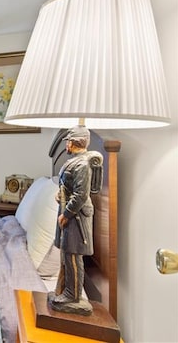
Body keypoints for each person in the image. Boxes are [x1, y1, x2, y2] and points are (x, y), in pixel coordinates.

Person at [49, 125, 103, 315]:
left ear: (74, 142)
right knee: (68, 255)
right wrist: (60, 194)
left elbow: (81, 194)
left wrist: (67, 213)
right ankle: (67, 290)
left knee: (72, 256)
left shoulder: (82, 165)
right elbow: (69, 186)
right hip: (71, 216)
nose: (66, 146)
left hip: (76, 219)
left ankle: (73, 295)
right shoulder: (75, 162)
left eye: (68, 142)